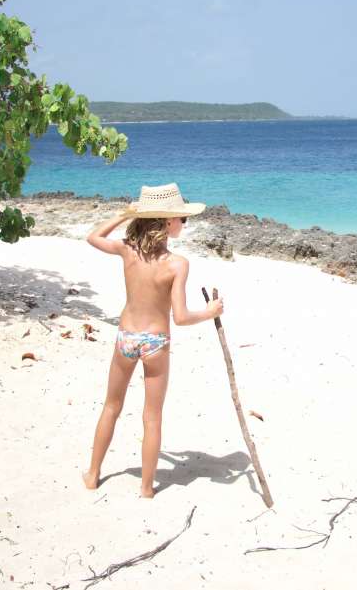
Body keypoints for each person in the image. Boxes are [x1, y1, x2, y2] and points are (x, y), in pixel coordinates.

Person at [81, 183, 223, 498]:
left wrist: (123, 214)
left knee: (111, 406)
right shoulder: (177, 264)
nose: (184, 224)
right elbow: (182, 317)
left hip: (127, 337)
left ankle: (92, 474)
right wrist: (211, 311)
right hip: (156, 342)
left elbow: (93, 238)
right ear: (166, 222)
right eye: (181, 219)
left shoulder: (127, 249)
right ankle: (146, 488)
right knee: (152, 418)